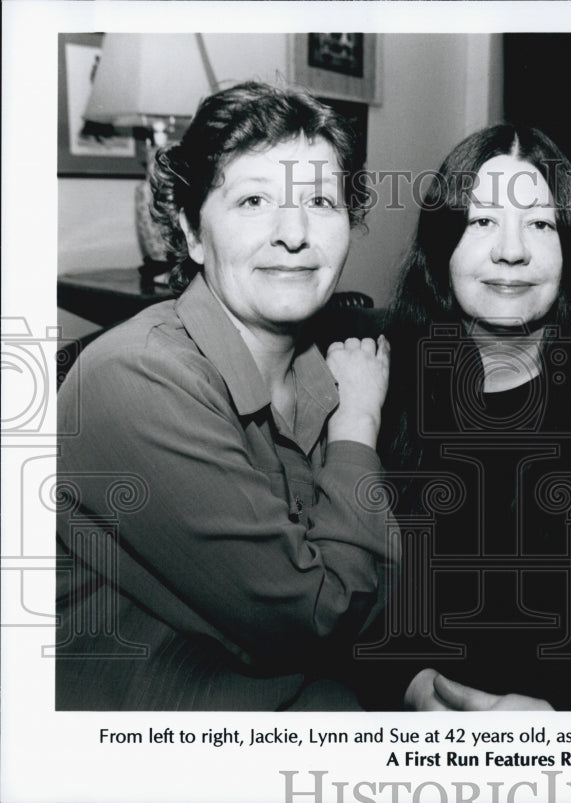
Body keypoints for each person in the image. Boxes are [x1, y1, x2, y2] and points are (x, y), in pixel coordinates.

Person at [55, 82, 395, 710]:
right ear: (189, 232)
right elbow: (322, 617)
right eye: (254, 199)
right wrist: (357, 431)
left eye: (321, 200)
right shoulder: (136, 380)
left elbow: (383, 597)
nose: (294, 233)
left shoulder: (334, 369)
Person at [357, 123, 571, 711]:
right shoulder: (378, 389)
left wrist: (567, 724)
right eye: (482, 221)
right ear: (442, 243)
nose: (512, 250)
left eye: (540, 224)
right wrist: (415, 688)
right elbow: (349, 603)